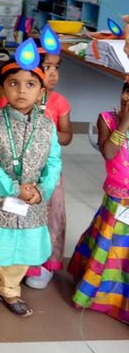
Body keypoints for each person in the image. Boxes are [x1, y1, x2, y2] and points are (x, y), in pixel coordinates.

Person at [0, 52, 61, 318]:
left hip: (32, 202)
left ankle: (10, 288)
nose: (22, 90)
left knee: (23, 245)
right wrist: (12, 188)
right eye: (13, 83)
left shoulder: (47, 126)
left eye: (30, 85)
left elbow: (54, 161)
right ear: (2, 88)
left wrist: (43, 189)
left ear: (41, 92)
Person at [0, 42, 72, 289]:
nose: (52, 74)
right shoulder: (10, 102)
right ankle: (11, 263)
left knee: (49, 216)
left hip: (46, 176)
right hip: (16, 176)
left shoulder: (59, 101)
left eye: (56, 67)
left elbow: (67, 136)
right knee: (14, 215)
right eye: (45, 67)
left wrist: (43, 132)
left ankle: (42, 263)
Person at [67, 81, 129, 324]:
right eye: (127, 90)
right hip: (116, 198)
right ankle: (96, 293)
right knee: (108, 245)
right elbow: (110, 153)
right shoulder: (108, 119)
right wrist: (125, 122)